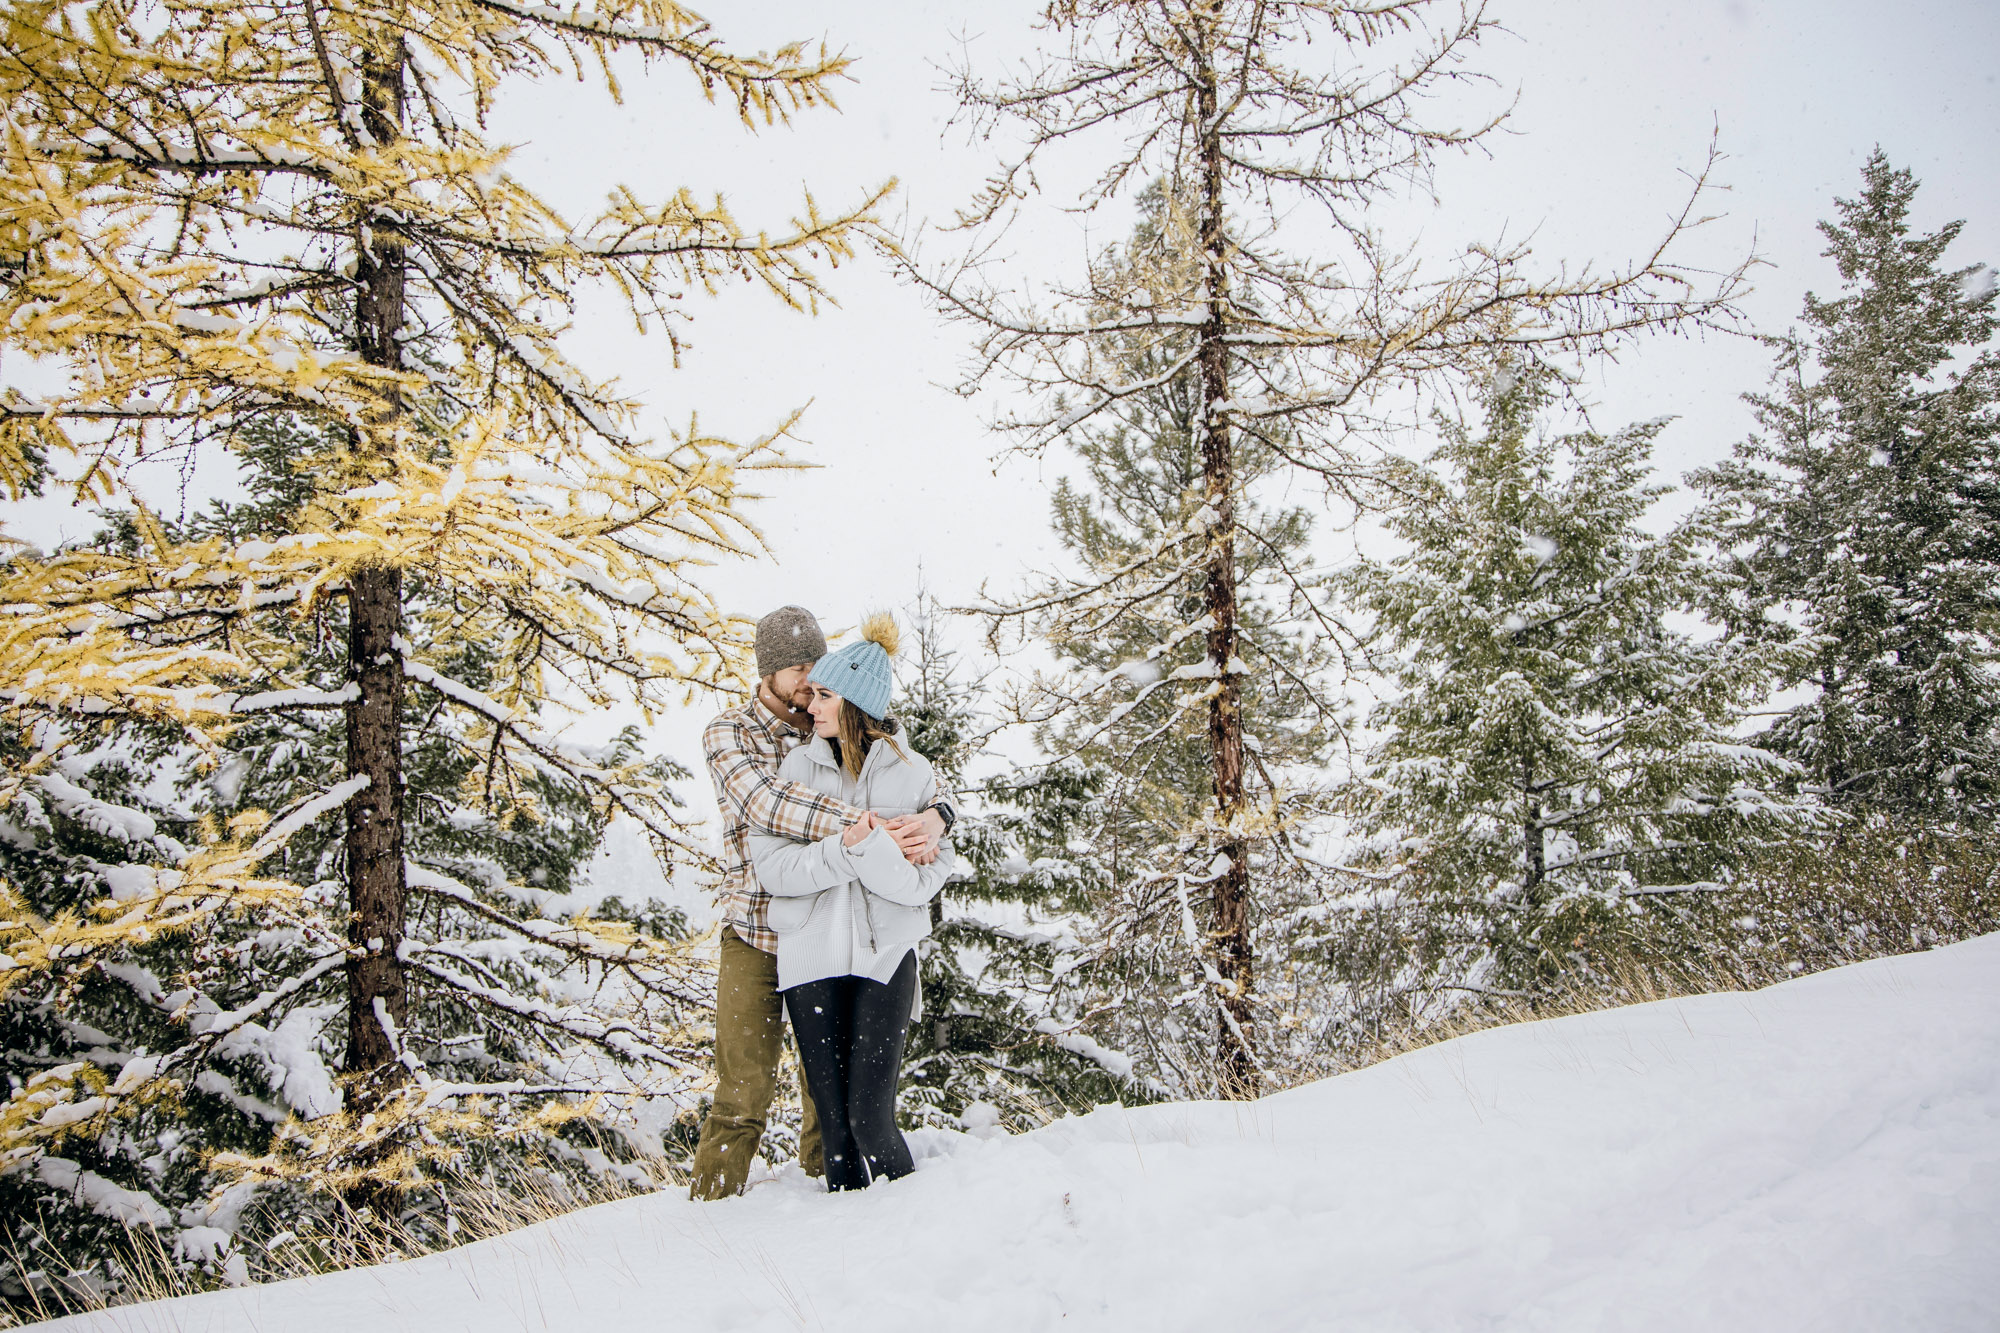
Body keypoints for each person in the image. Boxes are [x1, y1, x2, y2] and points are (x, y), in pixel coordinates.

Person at [688, 606, 953, 1200]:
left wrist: (937, 814)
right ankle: (708, 1212)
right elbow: (767, 804)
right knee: (742, 1090)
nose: (810, 683)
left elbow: (901, 761)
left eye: (818, 668)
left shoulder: (829, 719)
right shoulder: (731, 731)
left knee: (826, 1101)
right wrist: (876, 829)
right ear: (770, 672)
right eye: (798, 669)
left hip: (828, 934)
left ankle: (827, 1212)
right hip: (756, 928)